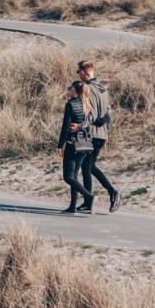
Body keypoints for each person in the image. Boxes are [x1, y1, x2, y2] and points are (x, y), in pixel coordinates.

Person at [77, 60, 121, 213]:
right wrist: (106, 132)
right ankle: (95, 198)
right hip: (101, 133)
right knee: (89, 166)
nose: (78, 75)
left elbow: (88, 112)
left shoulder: (86, 88)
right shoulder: (103, 88)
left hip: (91, 132)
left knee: (86, 166)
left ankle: (102, 195)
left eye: (78, 72)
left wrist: (81, 127)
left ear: (83, 72)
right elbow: (108, 112)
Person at [57, 80, 97, 214]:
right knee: (74, 176)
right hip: (85, 144)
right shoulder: (87, 103)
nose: (68, 90)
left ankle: (89, 197)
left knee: (68, 177)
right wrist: (80, 127)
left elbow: (65, 127)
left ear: (75, 90)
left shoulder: (71, 104)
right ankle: (72, 206)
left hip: (73, 144)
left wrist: (60, 145)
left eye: (70, 88)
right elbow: (92, 122)